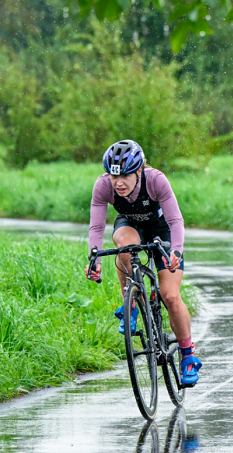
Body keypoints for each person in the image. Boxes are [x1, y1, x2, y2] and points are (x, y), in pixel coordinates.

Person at [85, 140, 202, 386]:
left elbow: (176, 220)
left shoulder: (156, 180)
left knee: (170, 296)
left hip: (163, 231)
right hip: (131, 225)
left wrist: (177, 252)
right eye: (113, 175)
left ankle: (188, 356)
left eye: (126, 175)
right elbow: (96, 226)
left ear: (139, 171)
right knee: (124, 246)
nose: (119, 182)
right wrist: (93, 258)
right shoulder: (103, 185)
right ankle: (131, 301)